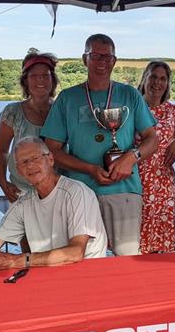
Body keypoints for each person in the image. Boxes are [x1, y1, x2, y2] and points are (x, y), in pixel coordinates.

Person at [42, 34, 157, 255]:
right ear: (85, 59)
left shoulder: (130, 94)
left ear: (114, 60)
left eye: (107, 57)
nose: (101, 62)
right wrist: (90, 169)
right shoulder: (67, 98)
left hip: (124, 190)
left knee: (127, 259)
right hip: (79, 193)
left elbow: (152, 139)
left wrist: (131, 157)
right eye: (95, 56)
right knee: (82, 260)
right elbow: (52, 150)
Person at [0, 137, 107, 268]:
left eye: (35, 158)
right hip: (50, 275)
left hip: (86, 274)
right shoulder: (23, 204)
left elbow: (75, 253)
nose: (30, 165)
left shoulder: (76, 193)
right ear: (19, 171)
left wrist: (19, 260)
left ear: (50, 159)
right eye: (24, 162)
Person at [0, 49, 58, 203]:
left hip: (57, 191)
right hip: (21, 192)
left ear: (53, 80)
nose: (40, 81)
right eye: (34, 76)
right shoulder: (13, 112)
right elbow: (1, 150)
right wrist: (2, 182)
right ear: (25, 81)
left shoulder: (62, 111)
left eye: (45, 76)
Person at [136, 61, 175, 253]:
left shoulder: (174, 112)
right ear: (145, 79)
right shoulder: (132, 108)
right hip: (136, 181)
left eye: (163, 78)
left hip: (163, 183)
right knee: (134, 241)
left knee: (163, 242)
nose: (158, 82)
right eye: (153, 77)